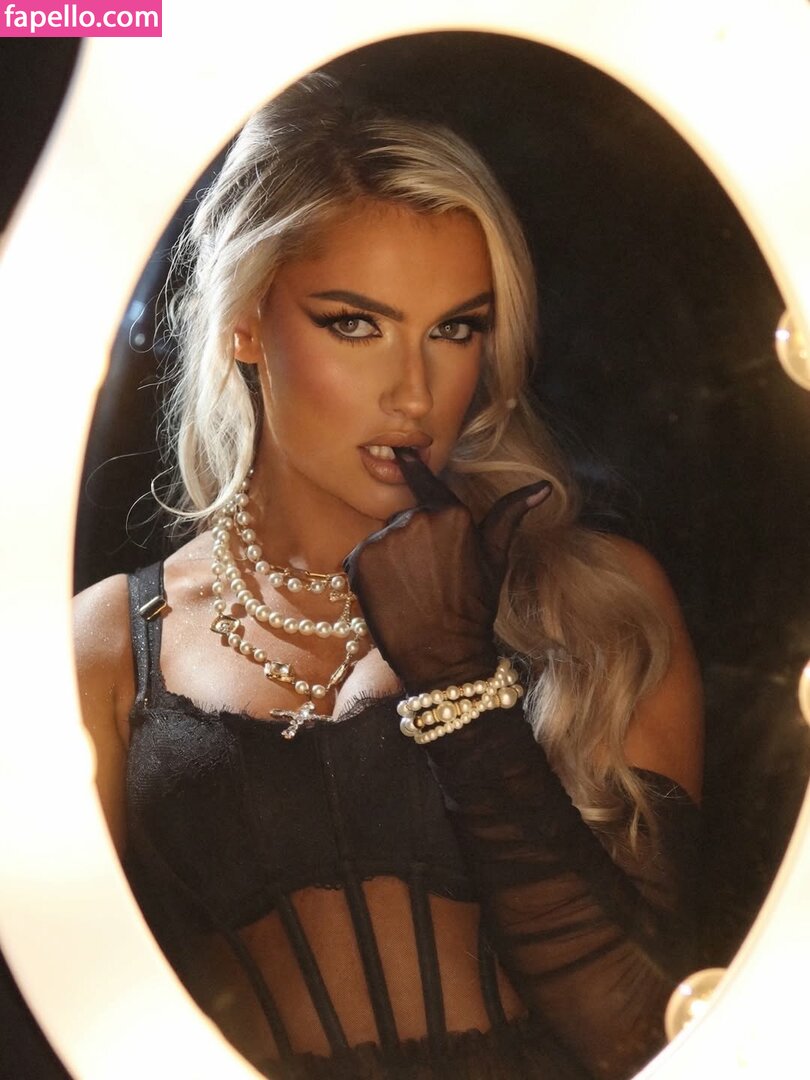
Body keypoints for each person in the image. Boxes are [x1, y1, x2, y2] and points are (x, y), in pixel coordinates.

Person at [73, 73, 703, 1080]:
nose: (414, 393)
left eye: (454, 329)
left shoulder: (595, 603)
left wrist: (459, 682)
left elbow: (650, 1033)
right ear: (245, 322)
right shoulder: (108, 648)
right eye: (355, 323)